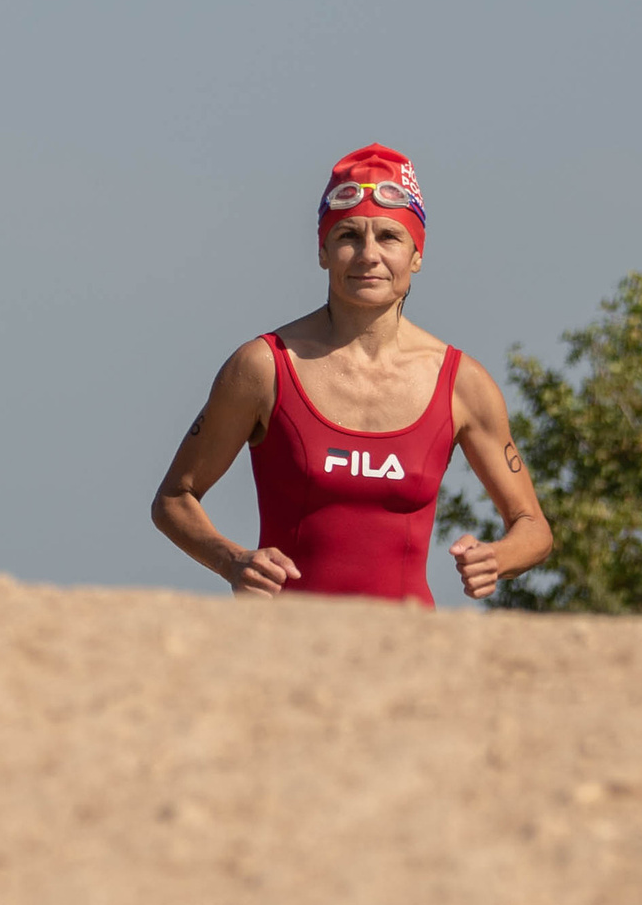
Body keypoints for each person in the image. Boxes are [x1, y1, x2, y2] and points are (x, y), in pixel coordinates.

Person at [151, 145, 553, 603]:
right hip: (285, 645)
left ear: (417, 254)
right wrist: (232, 560)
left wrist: (496, 558)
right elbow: (174, 499)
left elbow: (533, 526)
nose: (368, 255)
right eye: (347, 236)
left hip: (406, 650)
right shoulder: (264, 367)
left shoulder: (462, 383)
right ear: (322, 251)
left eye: (389, 237)